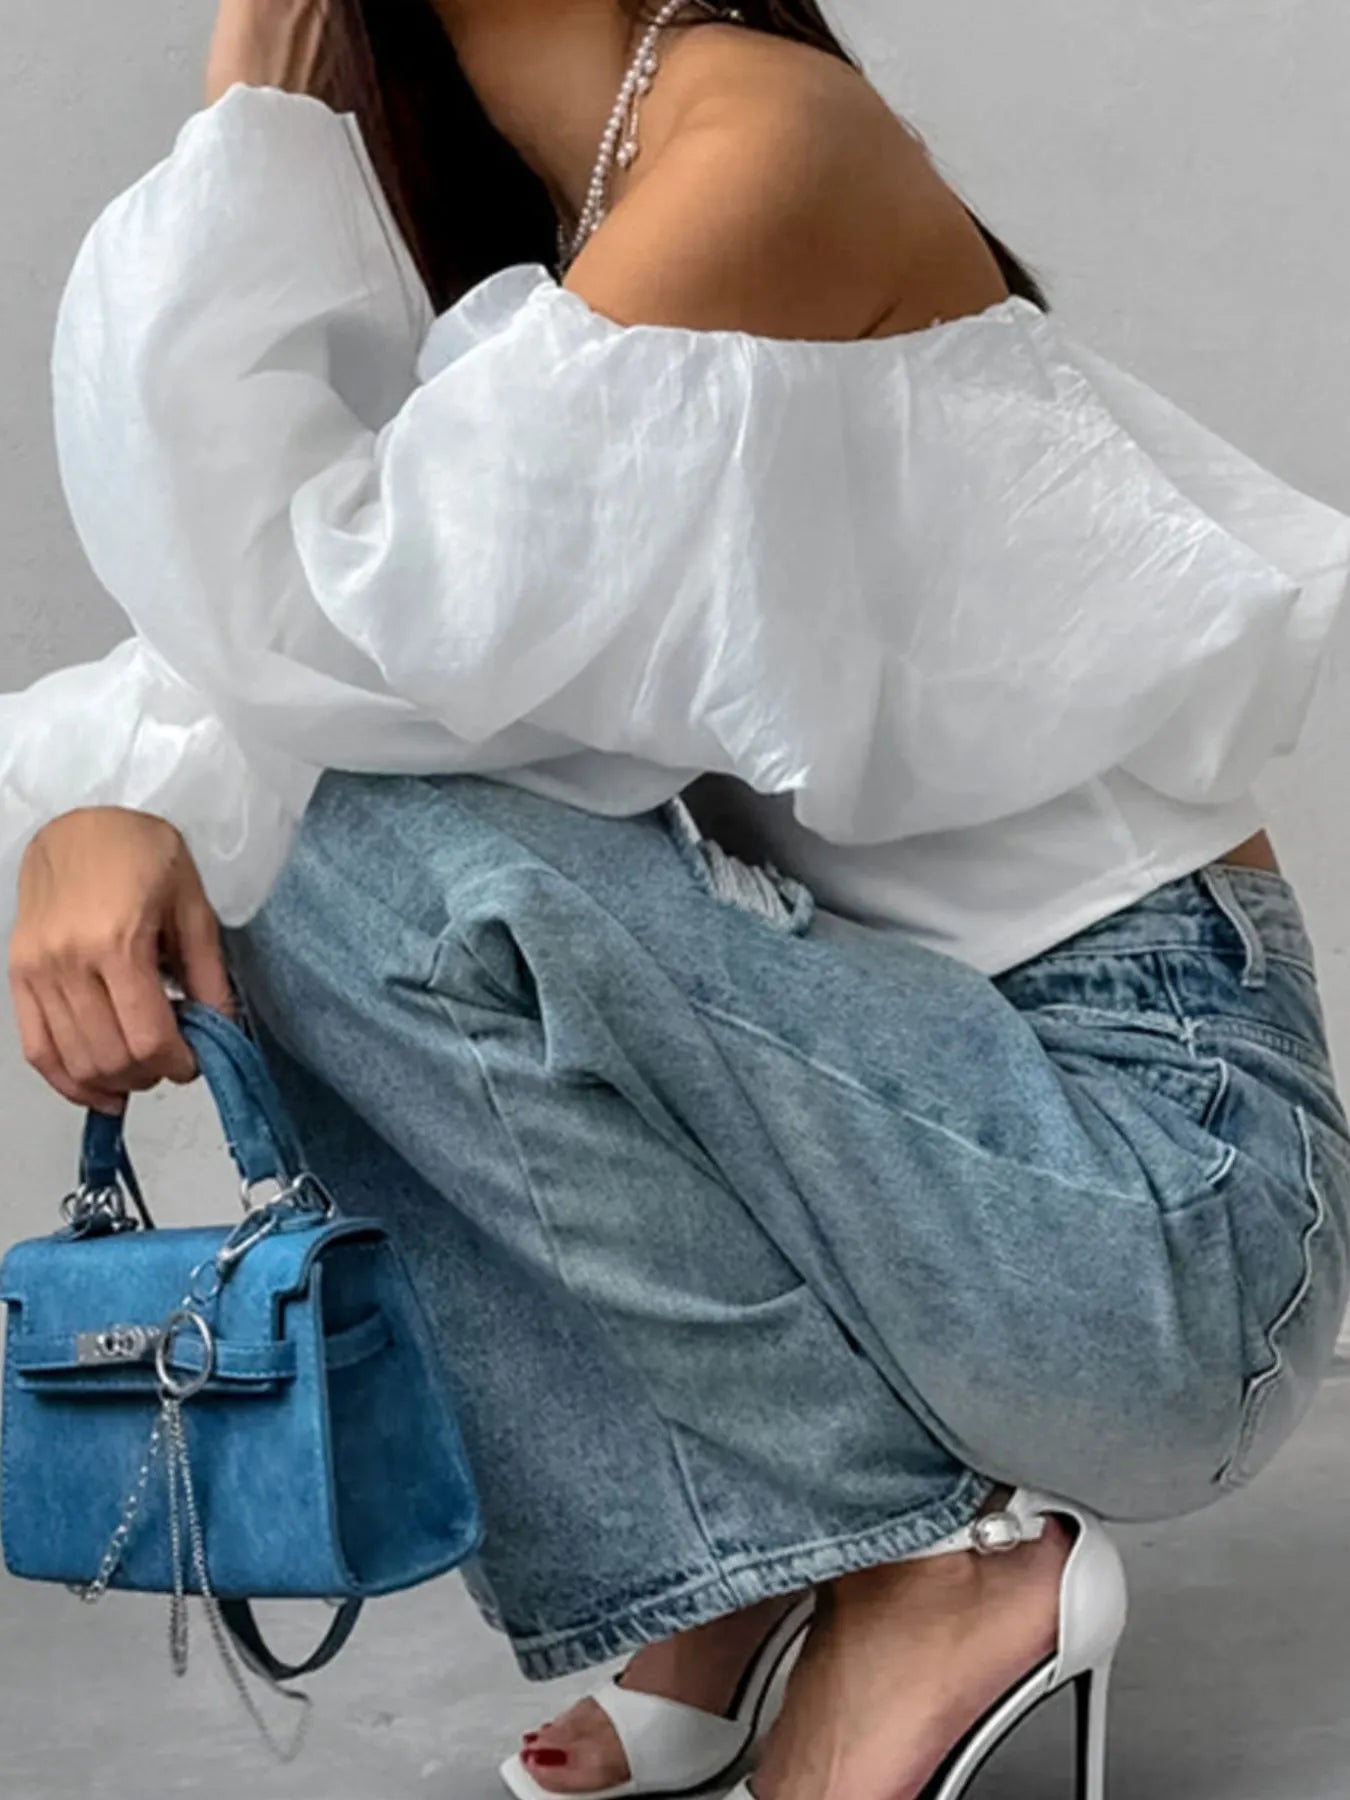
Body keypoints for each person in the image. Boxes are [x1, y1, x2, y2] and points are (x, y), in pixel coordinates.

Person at [4, 2, 1350, 1796]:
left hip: (1154, 1194)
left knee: (314, 848)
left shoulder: (762, 140)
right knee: (285, 838)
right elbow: (334, 650)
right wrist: (113, 801)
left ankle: (934, 1571)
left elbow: (326, 634)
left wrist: (249, 96)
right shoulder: (544, 206)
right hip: (944, 1145)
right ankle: (745, 1548)